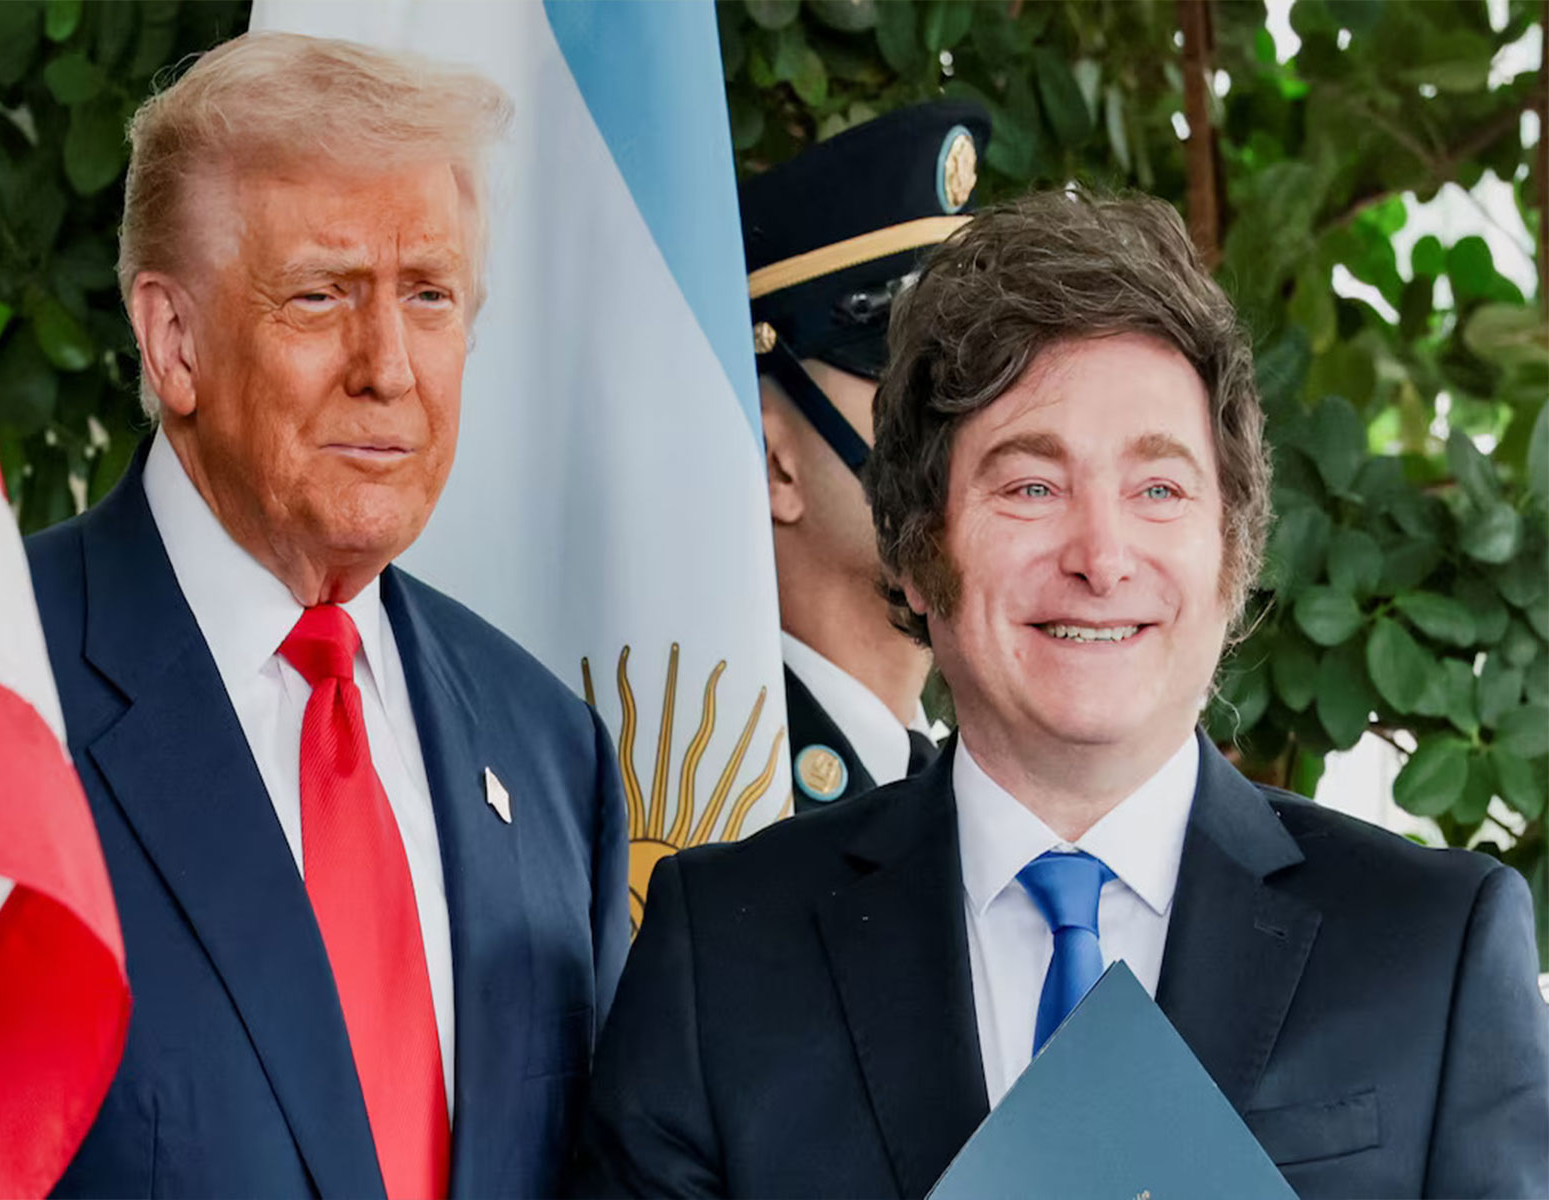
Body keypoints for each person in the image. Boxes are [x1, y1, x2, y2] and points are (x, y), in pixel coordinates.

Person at [572, 191, 1549, 1198]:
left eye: (1158, 489)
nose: (1100, 555)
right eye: (1030, 487)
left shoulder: (1433, 946)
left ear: (1231, 555)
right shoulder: (722, 950)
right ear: (916, 551)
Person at [30, 33, 628, 1199]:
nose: (389, 368)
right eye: (321, 294)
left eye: (429, 297)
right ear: (174, 340)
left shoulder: (548, 747)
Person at [739, 102, 988, 810]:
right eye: (915, 392)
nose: (972, 427)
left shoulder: (975, 796)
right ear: (774, 465)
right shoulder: (713, 797)